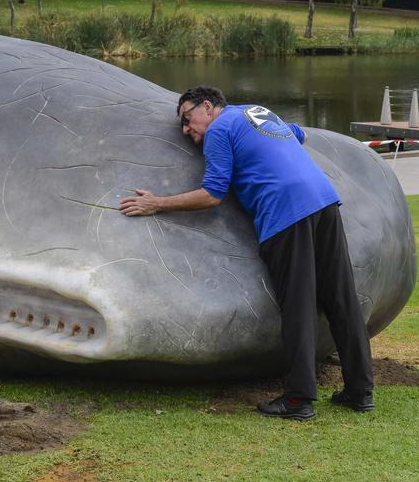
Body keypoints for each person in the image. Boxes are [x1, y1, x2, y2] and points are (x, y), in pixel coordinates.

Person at [119, 85, 374, 421]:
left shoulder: (219, 130)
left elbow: (212, 193)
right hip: (324, 201)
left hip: (285, 212)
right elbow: (298, 135)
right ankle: (360, 391)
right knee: (341, 297)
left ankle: (298, 400)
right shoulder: (257, 112)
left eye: (186, 117)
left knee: (297, 304)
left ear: (207, 107)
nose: (185, 128)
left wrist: (157, 203)